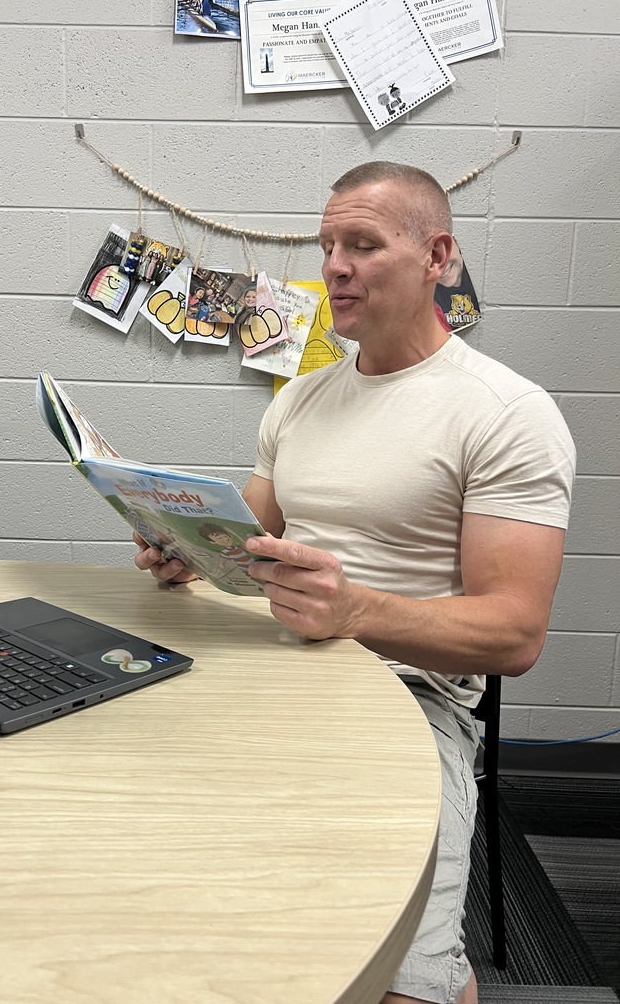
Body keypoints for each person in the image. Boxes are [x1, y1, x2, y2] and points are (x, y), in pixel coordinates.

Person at [133, 161, 576, 1004]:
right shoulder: (299, 400)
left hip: (410, 699)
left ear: (437, 255)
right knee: (164, 908)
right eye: (327, 243)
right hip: (275, 671)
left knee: (398, 987)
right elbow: (253, 541)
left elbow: (515, 633)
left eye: (363, 244)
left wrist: (358, 611)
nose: (333, 265)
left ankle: (443, 974)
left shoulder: (506, 414)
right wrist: (192, 549)